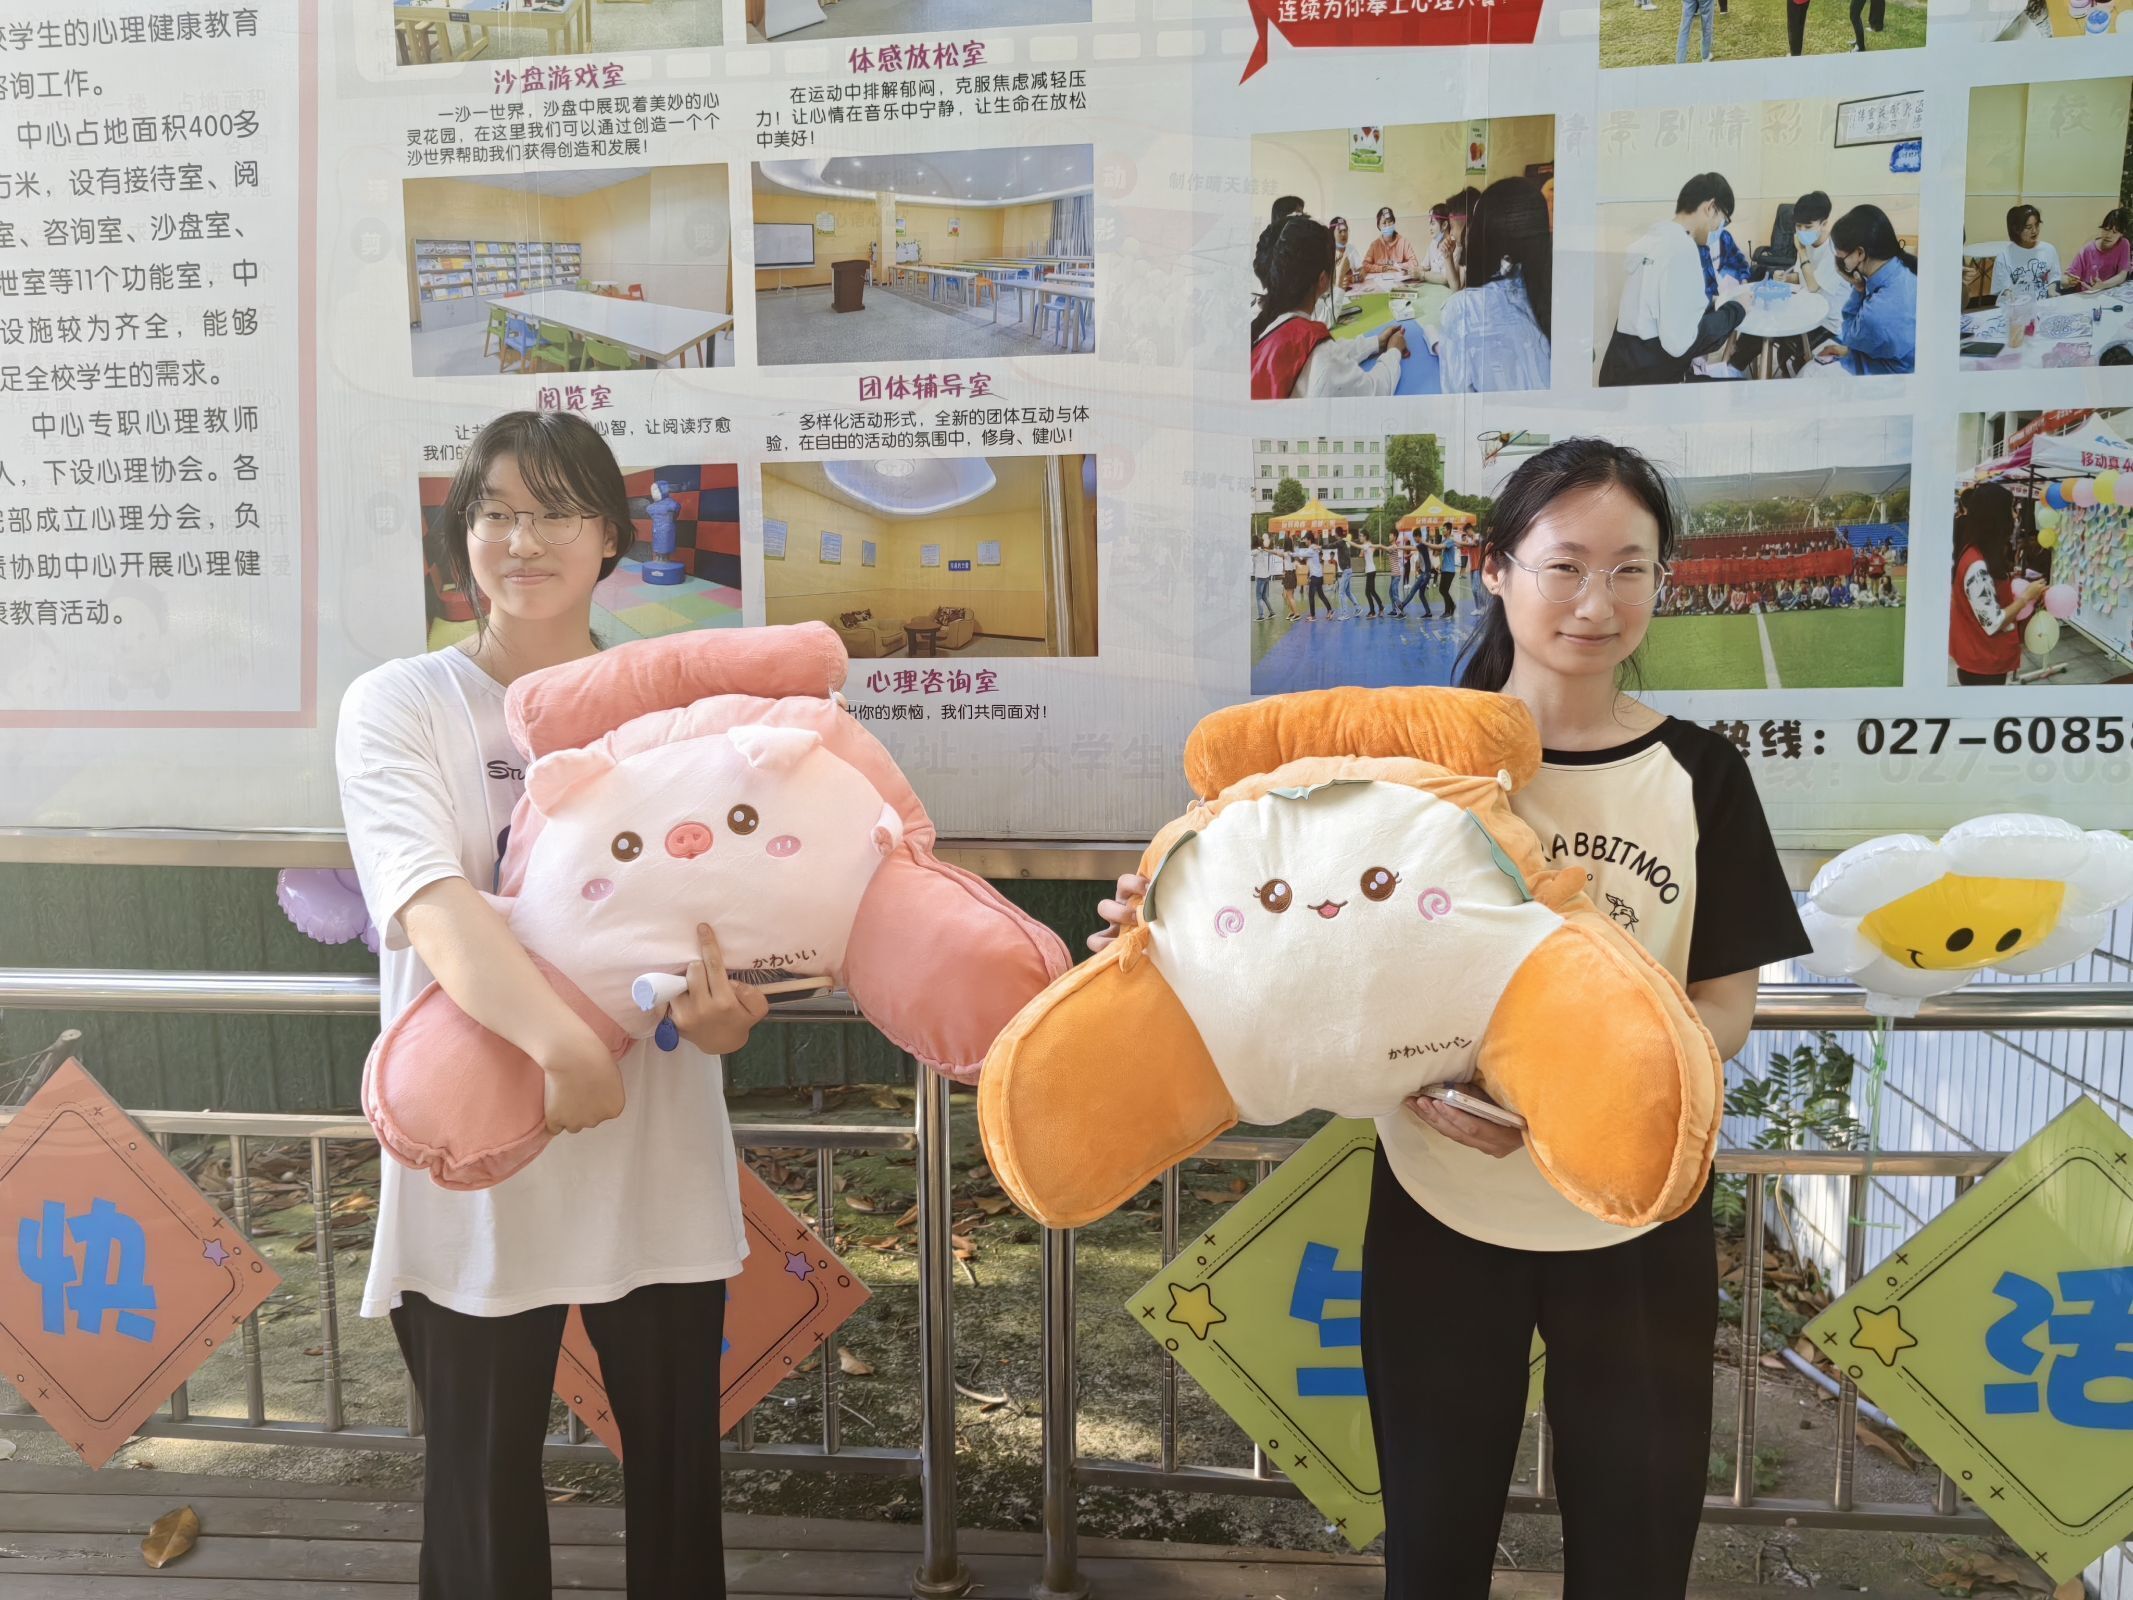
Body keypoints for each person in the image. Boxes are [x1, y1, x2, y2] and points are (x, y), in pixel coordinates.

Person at [1090, 437, 1807, 1600]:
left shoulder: (1700, 773)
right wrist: (1161, 917)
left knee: (1636, 1555)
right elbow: (1282, 925)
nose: (1596, 602)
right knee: (1432, 1547)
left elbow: (1724, 1006)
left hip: (1635, 1213)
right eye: (1564, 565)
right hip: (1442, 1206)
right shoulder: (1403, 767)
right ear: (1494, 569)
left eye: (1630, 569)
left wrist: (1577, 1090)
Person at [337, 410, 762, 1600]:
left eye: (558, 512)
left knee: (677, 1478)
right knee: (478, 1489)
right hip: (477, 1147)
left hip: (653, 1137)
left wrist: (727, 1013)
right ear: (461, 535)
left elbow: (722, 913)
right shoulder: (402, 703)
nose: (524, 540)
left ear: (613, 536)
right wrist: (560, 1045)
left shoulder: (671, 717)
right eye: (497, 512)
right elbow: (431, 902)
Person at [1599, 173, 1748, 386]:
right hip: (1650, 384)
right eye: (1723, 220)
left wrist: (1713, 305)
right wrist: (1736, 309)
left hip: (1620, 370)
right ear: (1710, 207)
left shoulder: (1655, 238)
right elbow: (1681, 343)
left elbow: (1662, 308)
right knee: (1738, 390)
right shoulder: (1682, 248)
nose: (1720, 229)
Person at [1251, 217, 1407, 399]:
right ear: (1323, 280)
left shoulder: (1271, 325)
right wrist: (1394, 351)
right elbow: (1374, 391)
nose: (1343, 234)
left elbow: (1331, 353)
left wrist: (1376, 342)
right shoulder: (1319, 352)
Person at [1425, 177, 1552, 394]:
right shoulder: (1551, 295)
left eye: (1452, 225)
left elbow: (1458, 402)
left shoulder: (1461, 308)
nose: (1452, 233)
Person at [1800, 205, 1917, 377]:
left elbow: (1850, 337)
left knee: (1809, 372)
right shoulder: (1905, 269)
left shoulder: (1876, 314)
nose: (1839, 261)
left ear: (1860, 253)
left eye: (1840, 256)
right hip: (1899, 355)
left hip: (1893, 373)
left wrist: (1858, 288)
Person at [1949, 481, 2025, 685]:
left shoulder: (1980, 555)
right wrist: (2026, 598)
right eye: (2010, 509)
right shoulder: (1976, 565)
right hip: (1982, 666)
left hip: (1985, 661)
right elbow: (1993, 622)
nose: (2014, 515)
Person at [1992, 205, 2061, 306]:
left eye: (2037, 225)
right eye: (2028, 227)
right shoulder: (2004, 256)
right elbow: (2005, 290)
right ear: (2016, 229)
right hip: (2016, 308)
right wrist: (2010, 297)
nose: (2034, 231)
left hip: (2043, 307)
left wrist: (2052, 291)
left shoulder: (2048, 249)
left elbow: (2053, 277)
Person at [2062, 209, 2131, 294]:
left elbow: (2122, 275)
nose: (2109, 235)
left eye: (2114, 232)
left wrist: (2102, 285)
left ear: (2121, 234)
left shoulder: (2123, 244)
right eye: (2106, 229)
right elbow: (2064, 280)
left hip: (2110, 293)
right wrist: (2068, 281)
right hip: (2088, 295)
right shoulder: (2087, 249)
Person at [1254, 194, 1310, 288]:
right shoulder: (1269, 236)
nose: (1301, 217)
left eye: (1301, 213)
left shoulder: (1303, 234)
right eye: (1297, 213)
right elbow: (1262, 267)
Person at [1360, 205, 1422, 281]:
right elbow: (1365, 265)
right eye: (1384, 223)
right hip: (1380, 281)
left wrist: (1398, 266)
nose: (1388, 225)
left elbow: (1414, 262)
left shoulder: (1403, 242)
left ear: (1394, 222)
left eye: (1390, 222)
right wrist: (1383, 268)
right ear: (1379, 226)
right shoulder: (1374, 245)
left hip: (1400, 281)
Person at [1251, 535, 1278, 620]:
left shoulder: (1256, 551)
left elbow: (1249, 553)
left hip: (1261, 577)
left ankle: (1261, 616)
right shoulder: (1260, 550)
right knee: (1264, 596)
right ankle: (1272, 612)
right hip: (1266, 576)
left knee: (1258, 597)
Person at [1329, 215, 1358, 292]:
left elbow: (1361, 270)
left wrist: (1356, 277)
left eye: (1345, 230)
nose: (1343, 234)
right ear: (1332, 233)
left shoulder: (1351, 248)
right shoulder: (1328, 252)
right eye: (1340, 231)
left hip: (1351, 291)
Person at [1281, 538, 1303, 620]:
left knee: (1289, 596)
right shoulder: (1292, 553)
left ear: (1285, 544)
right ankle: (1292, 612)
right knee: (1288, 596)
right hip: (1292, 575)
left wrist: (1267, 550)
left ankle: (1297, 614)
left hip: (1289, 575)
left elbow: (1276, 553)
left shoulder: (1286, 554)